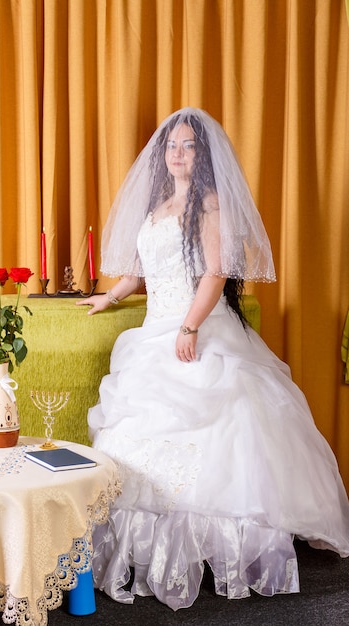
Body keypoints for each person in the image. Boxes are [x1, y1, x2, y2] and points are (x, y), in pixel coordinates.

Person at [76, 108, 349, 610]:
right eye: (172, 146)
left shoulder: (210, 206)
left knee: (223, 426)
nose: (178, 154)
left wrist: (189, 327)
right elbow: (140, 271)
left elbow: (215, 275)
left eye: (188, 146)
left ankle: (217, 549)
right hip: (153, 330)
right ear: (164, 155)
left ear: (201, 156)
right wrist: (109, 298)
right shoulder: (157, 207)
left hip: (196, 326)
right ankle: (146, 550)